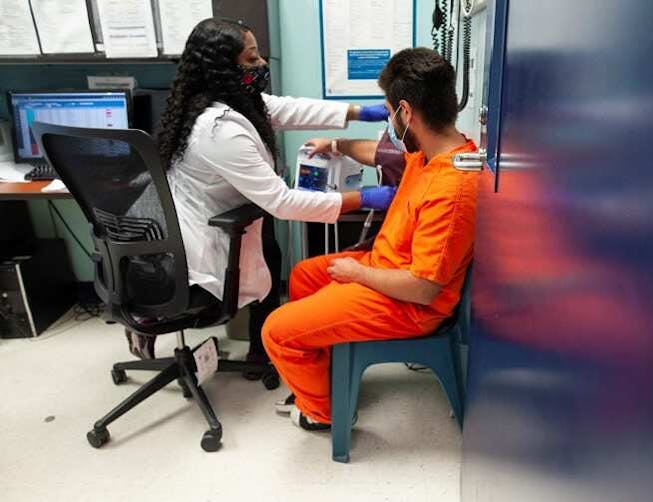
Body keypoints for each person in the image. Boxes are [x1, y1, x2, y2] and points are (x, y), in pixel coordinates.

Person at [125, 18, 396, 382]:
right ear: (224, 68)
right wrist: (364, 197)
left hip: (206, 218)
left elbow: (285, 108)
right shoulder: (218, 129)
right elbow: (282, 202)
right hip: (201, 241)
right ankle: (263, 346)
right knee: (265, 247)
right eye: (251, 59)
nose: (262, 66)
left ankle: (261, 348)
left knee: (268, 249)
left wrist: (361, 112)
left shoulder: (228, 101)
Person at [262, 47, 480, 430]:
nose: (390, 121)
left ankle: (324, 413)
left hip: (409, 302)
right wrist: (335, 145)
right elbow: (378, 153)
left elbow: (423, 288)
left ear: (406, 112)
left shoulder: (453, 187)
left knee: (276, 332)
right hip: (385, 268)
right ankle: (328, 375)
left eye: (389, 110)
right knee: (304, 276)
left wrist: (357, 274)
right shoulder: (431, 152)